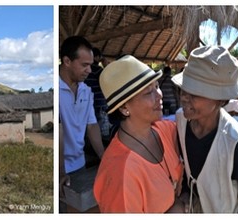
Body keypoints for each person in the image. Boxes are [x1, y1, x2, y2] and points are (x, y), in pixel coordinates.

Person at [172, 46, 238, 213]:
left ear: (221, 100)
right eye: (183, 89)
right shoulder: (181, 120)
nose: (184, 98)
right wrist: (186, 192)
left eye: (195, 93)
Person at [93, 56, 184, 213]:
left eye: (157, 86)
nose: (159, 95)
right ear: (124, 108)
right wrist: (177, 210)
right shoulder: (120, 173)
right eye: (149, 92)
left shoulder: (165, 130)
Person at [58, 36, 106, 197]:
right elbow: (59, 130)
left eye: (90, 65)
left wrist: (103, 157)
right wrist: (60, 172)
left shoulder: (86, 91)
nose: (90, 70)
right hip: (60, 167)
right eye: (84, 65)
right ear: (67, 61)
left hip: (80, 163)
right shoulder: (56, 91)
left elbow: (91, 125)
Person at [83, 48, 111, 145]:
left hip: (87, 102)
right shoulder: (98, 70)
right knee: (97, 126)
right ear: (96, 57)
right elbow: (109, 81)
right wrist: (105, 65)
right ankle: (96, 144)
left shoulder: (84, 70)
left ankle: (89, 143)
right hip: (99, 103)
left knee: (88, 124)